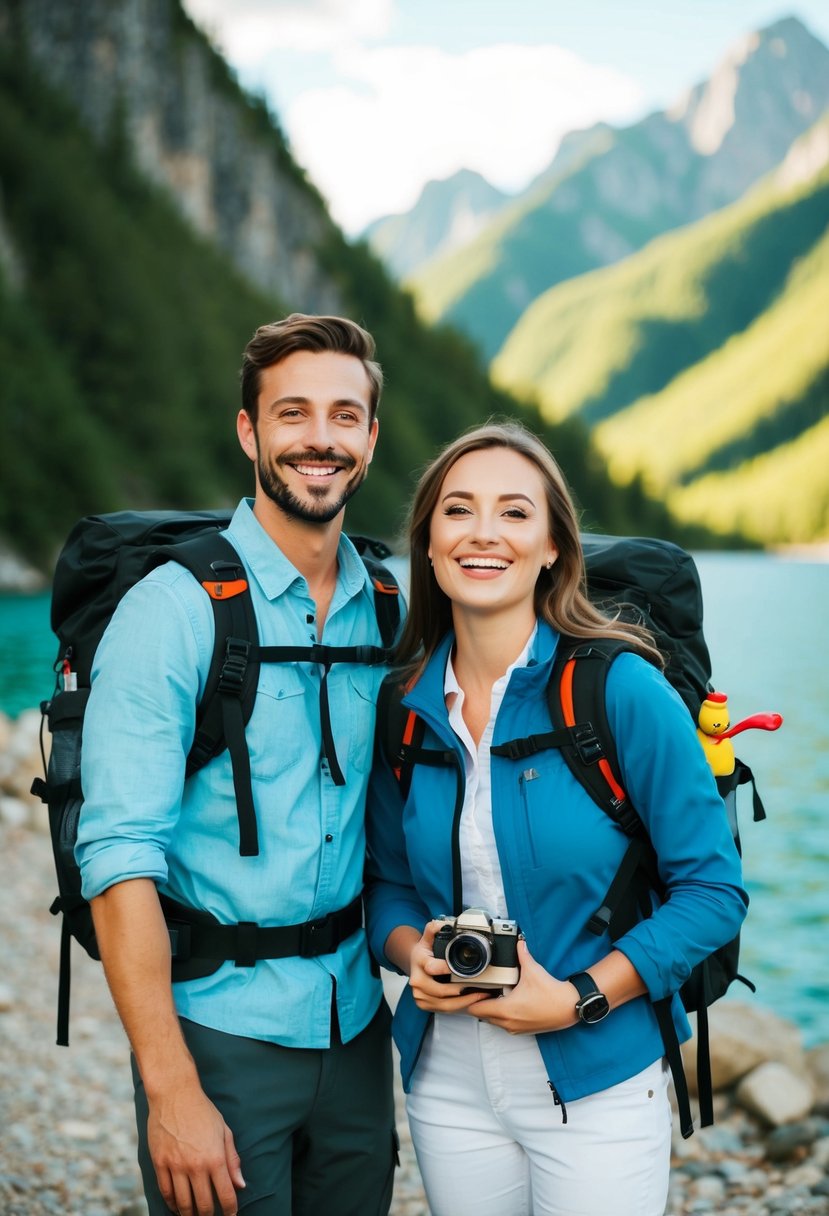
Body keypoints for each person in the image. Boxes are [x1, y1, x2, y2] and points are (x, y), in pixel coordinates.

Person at [364, 421, 748, 1216]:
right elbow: (388, 885)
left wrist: (576, 998)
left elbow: (712, 891)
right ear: (428, 545)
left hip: (601, 1081)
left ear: (551, 550)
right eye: (457, 510)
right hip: (446, 1085)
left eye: (513, 513)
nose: (482, 534)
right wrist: (416, 955)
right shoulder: (401, 709)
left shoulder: (620, 690)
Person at [76, 314, 398, 1216]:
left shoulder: (387, 603)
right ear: (250, 431)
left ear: (370, 438)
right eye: (292, 414)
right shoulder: (170, 612)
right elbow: (118, 856)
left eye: (344, 415)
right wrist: (171, 1089)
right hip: (218, 1034)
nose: (319, 439)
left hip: (357, 1024)